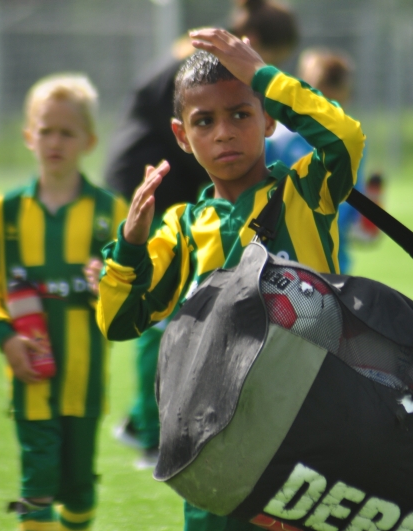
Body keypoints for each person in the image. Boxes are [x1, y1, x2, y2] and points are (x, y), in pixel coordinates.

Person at [95, 28, 363, 531]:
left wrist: (263, 75)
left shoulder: (306, 193)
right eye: (205, 121)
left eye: (241, 113)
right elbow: (117, 319)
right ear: (181, 136)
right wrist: (129, 248)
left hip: (306, 444)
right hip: (211, 452)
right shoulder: (181, 229)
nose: (223, 132)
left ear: (267, 119)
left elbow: (345, 137)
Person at [103, 0, 299, 469]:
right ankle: (151, 422)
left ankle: (142, 419)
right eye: (273, 58)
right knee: (169, 305)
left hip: (167, 176)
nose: (271, 70)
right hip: (151, 179)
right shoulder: (201, 70)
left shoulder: (199, 55)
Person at [0, 73, 127, 530]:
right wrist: (5, 338)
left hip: (85, 379)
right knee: (36, 482)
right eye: (45, 130)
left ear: (89, 140)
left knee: (79, 488)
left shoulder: (110, 212)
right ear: (28, 136)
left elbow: (136, 290)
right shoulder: (7, 211)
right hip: (31, 377)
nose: (55, 141)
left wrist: (113, 284)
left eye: (67, 132)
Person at [265, 47, 383, 273]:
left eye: (335, 104)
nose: (329, 111)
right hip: (283, 260)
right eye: (323, 101)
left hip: (333, 262)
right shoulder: (277, 138)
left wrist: (370, 216)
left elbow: (353, 205)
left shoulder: (351, 142)